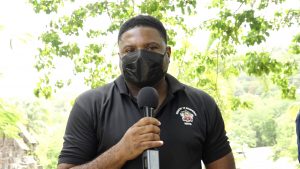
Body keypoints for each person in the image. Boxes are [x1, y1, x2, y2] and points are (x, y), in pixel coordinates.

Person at [57, 15, 236, 169]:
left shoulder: (202, 103)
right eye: (130, 50)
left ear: (168, 53)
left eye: (151, 47)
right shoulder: (90, 104)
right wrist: (121, 151)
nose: (141, 56)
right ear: (120, 57)